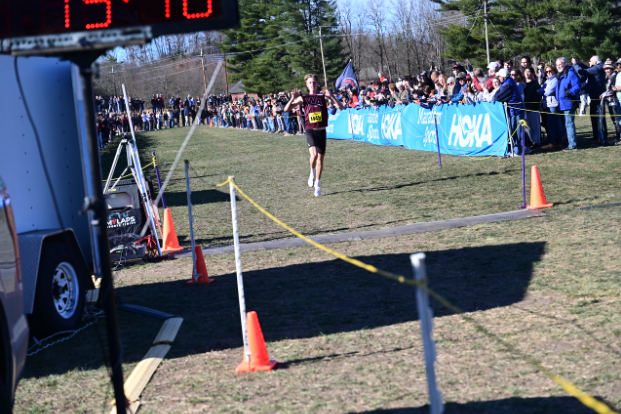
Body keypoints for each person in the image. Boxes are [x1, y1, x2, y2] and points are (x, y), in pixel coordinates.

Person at [284, 74, 344, 197]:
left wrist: (332, 96)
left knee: (320, 160)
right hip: (310, 130)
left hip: (321, 131)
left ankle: (317, 184)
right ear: (307, 85)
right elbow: (286, 109)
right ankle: (311, 172)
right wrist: (292, 98)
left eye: (314, 82)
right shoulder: (304, 98)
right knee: (314, 155)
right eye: (310, 82)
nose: (312, 84)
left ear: (317, 84)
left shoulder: (322, 96)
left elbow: (341, 107)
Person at [493, 68, 528, 154]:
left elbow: (498, 97)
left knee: (517, 131)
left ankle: (518, 151)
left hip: (517, 110)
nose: (498, 78)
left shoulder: (508, 84)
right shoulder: (507, 82)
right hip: (513, 111)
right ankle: (517, 149)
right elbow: (497, 94)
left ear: (503, 77)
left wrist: (494, 98)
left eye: (499, 76)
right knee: (513, 130)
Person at [572, 56, 607, 142]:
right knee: (598, 116)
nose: (589, 62)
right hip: (597, 96)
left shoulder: (597, 68)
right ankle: (600, 135)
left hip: (597, 96)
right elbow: (587, 68)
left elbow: (582, 71)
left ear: (595, 62)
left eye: (590, 61)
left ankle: (599, 136)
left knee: (597, 117)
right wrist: (580, 64)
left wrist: (575, 64)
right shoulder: (598, 67)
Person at [556, 57, 581, 151]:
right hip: (562, 104)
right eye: (557, 65)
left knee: (569, 124)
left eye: (560, 64)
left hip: (570, 103)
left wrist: (569, 92)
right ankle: (569, 142)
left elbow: (577, 85)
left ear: (565, 64)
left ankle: (573, 145)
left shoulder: (570, 73)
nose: (558, 66)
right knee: (566, 124)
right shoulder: (560, 74)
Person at [523, 67, 542, 147]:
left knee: (535, 126)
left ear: (532, 73)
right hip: (524, 109)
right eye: (525, 72)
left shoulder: (535, 83)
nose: (527, 73)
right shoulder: (523, 84)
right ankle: (531, 141)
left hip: (533, 109)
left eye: (529, 72)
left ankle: (537, 141)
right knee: (527, 127)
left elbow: (537, 96)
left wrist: (530, 107)